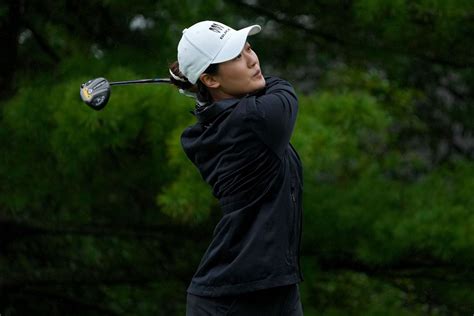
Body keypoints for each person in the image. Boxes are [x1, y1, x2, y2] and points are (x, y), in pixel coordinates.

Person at [169, 20, 304, 315]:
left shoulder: (222, 122)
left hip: (275, 288)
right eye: (236, 57)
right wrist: (197, 85)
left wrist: (199, 85)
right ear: (211, 79)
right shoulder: (257, 120)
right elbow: (282, 88)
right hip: (232, 301)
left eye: (249, 49)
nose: (253, 60)